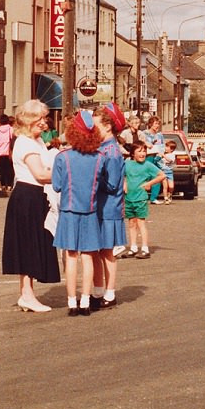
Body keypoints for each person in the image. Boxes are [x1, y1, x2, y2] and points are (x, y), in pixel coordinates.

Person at [50, 109, 122, 316]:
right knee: (89, 257)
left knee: (71, 256)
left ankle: (72, 302)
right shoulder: (99, 158)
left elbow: (56, 185)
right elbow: (103, 182)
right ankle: (86, 301)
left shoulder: (63, 157)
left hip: (69, 211)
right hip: (90, 211)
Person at [1, 99, 60, 313]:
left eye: (44, 118)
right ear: (28, 120)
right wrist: (69, 174)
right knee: (27, 245)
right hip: (27, 196)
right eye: (40, 118)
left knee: (32, 243)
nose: (44, 123)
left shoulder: (36, 141)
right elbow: (41, 174)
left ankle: (27, 294)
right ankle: (26, 295)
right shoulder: (25, 143)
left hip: (35, 196)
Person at [93, 104, 127, 308]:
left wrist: (92, 179)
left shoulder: (112, 152)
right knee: (96, 250)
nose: (92, 129)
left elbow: (113, 184)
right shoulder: (103, 148)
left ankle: (110, 293)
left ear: (107, 126)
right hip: (99, 207)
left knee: (107, 252)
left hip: (108, 209)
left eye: (96, 125)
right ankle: (98, 291)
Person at [123, 140, 163, 258]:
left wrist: (149, 183)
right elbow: (123, 175)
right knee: (131, 223)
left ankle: (145, 248)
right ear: (132, 153)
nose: (143, 154)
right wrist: (124, 183)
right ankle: (133, 247)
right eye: (139, 151)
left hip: (140, 198)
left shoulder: (148, 165)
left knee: (141, 223)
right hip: (129, 197)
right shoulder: (127, 164)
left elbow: (162, 175)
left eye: (144, 151)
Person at [0, 112, 15, 195]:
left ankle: (3, 185)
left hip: (0, 154)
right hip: (9, 154)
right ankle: (10, 186)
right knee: (10, 170)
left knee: (2, 171)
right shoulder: (11, 130)